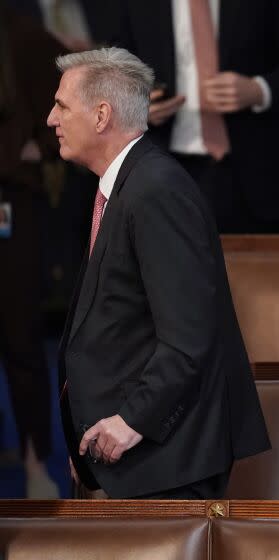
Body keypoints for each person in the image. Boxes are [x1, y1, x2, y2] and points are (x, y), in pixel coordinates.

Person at [47, 47, 270, 499]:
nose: (52, 119)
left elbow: (189, 339)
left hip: (169, 465)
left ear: (101, 115)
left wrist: (132, 422)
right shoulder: (129, 184)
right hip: (131, 463)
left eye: (62, 106)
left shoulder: (156, 192)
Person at [107, 0, 279, 234]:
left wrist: (259, 90)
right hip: (161, 172)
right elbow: (111, 71)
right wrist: (136, 106)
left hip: (255, 176)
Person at [0, 0, 64, 498]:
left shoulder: (23, 37)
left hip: (13, 207)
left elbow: (77, 97)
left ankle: (38, 463)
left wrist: (36, 145)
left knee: (21, 341)